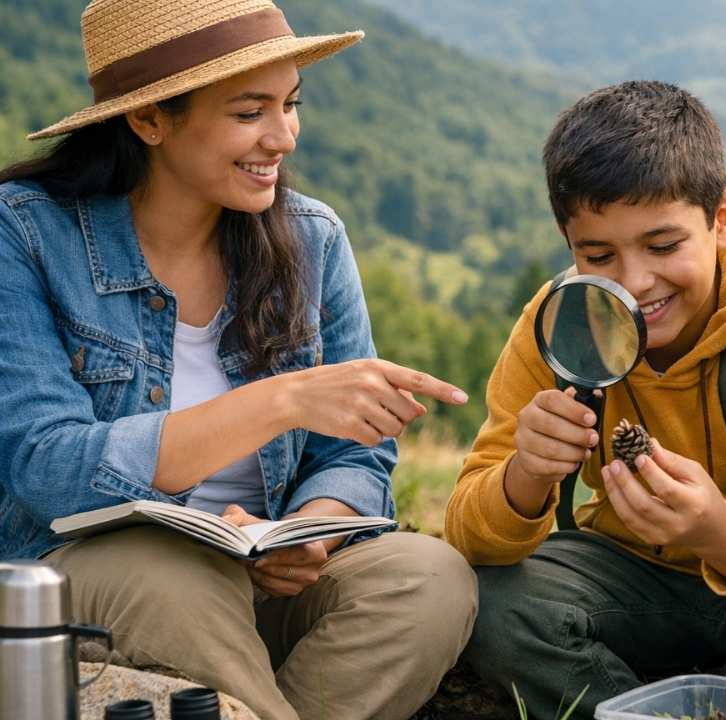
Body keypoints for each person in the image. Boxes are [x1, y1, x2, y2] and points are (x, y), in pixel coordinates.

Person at [0, 1, 477, 718]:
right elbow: (46, 465)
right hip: (102, 578)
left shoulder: (313, 240)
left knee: (427, 576)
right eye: (250, 111)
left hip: (258, 583)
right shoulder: (27, 234)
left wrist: (313, 529)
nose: (283, 136)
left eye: (291, 105)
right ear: (150, 120)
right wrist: (278, 402)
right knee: (177, 578)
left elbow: (356, 460)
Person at [445, 80, 726, 719]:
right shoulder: (558, 324)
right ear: (568, 243)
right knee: (491, 603)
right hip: (623, 576)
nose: (636, 283)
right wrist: (525, 474)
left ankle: (713, 693)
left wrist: (720, 533)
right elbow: (468, 527)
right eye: (598, 255)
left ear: (722, 219)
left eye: (663, 246)